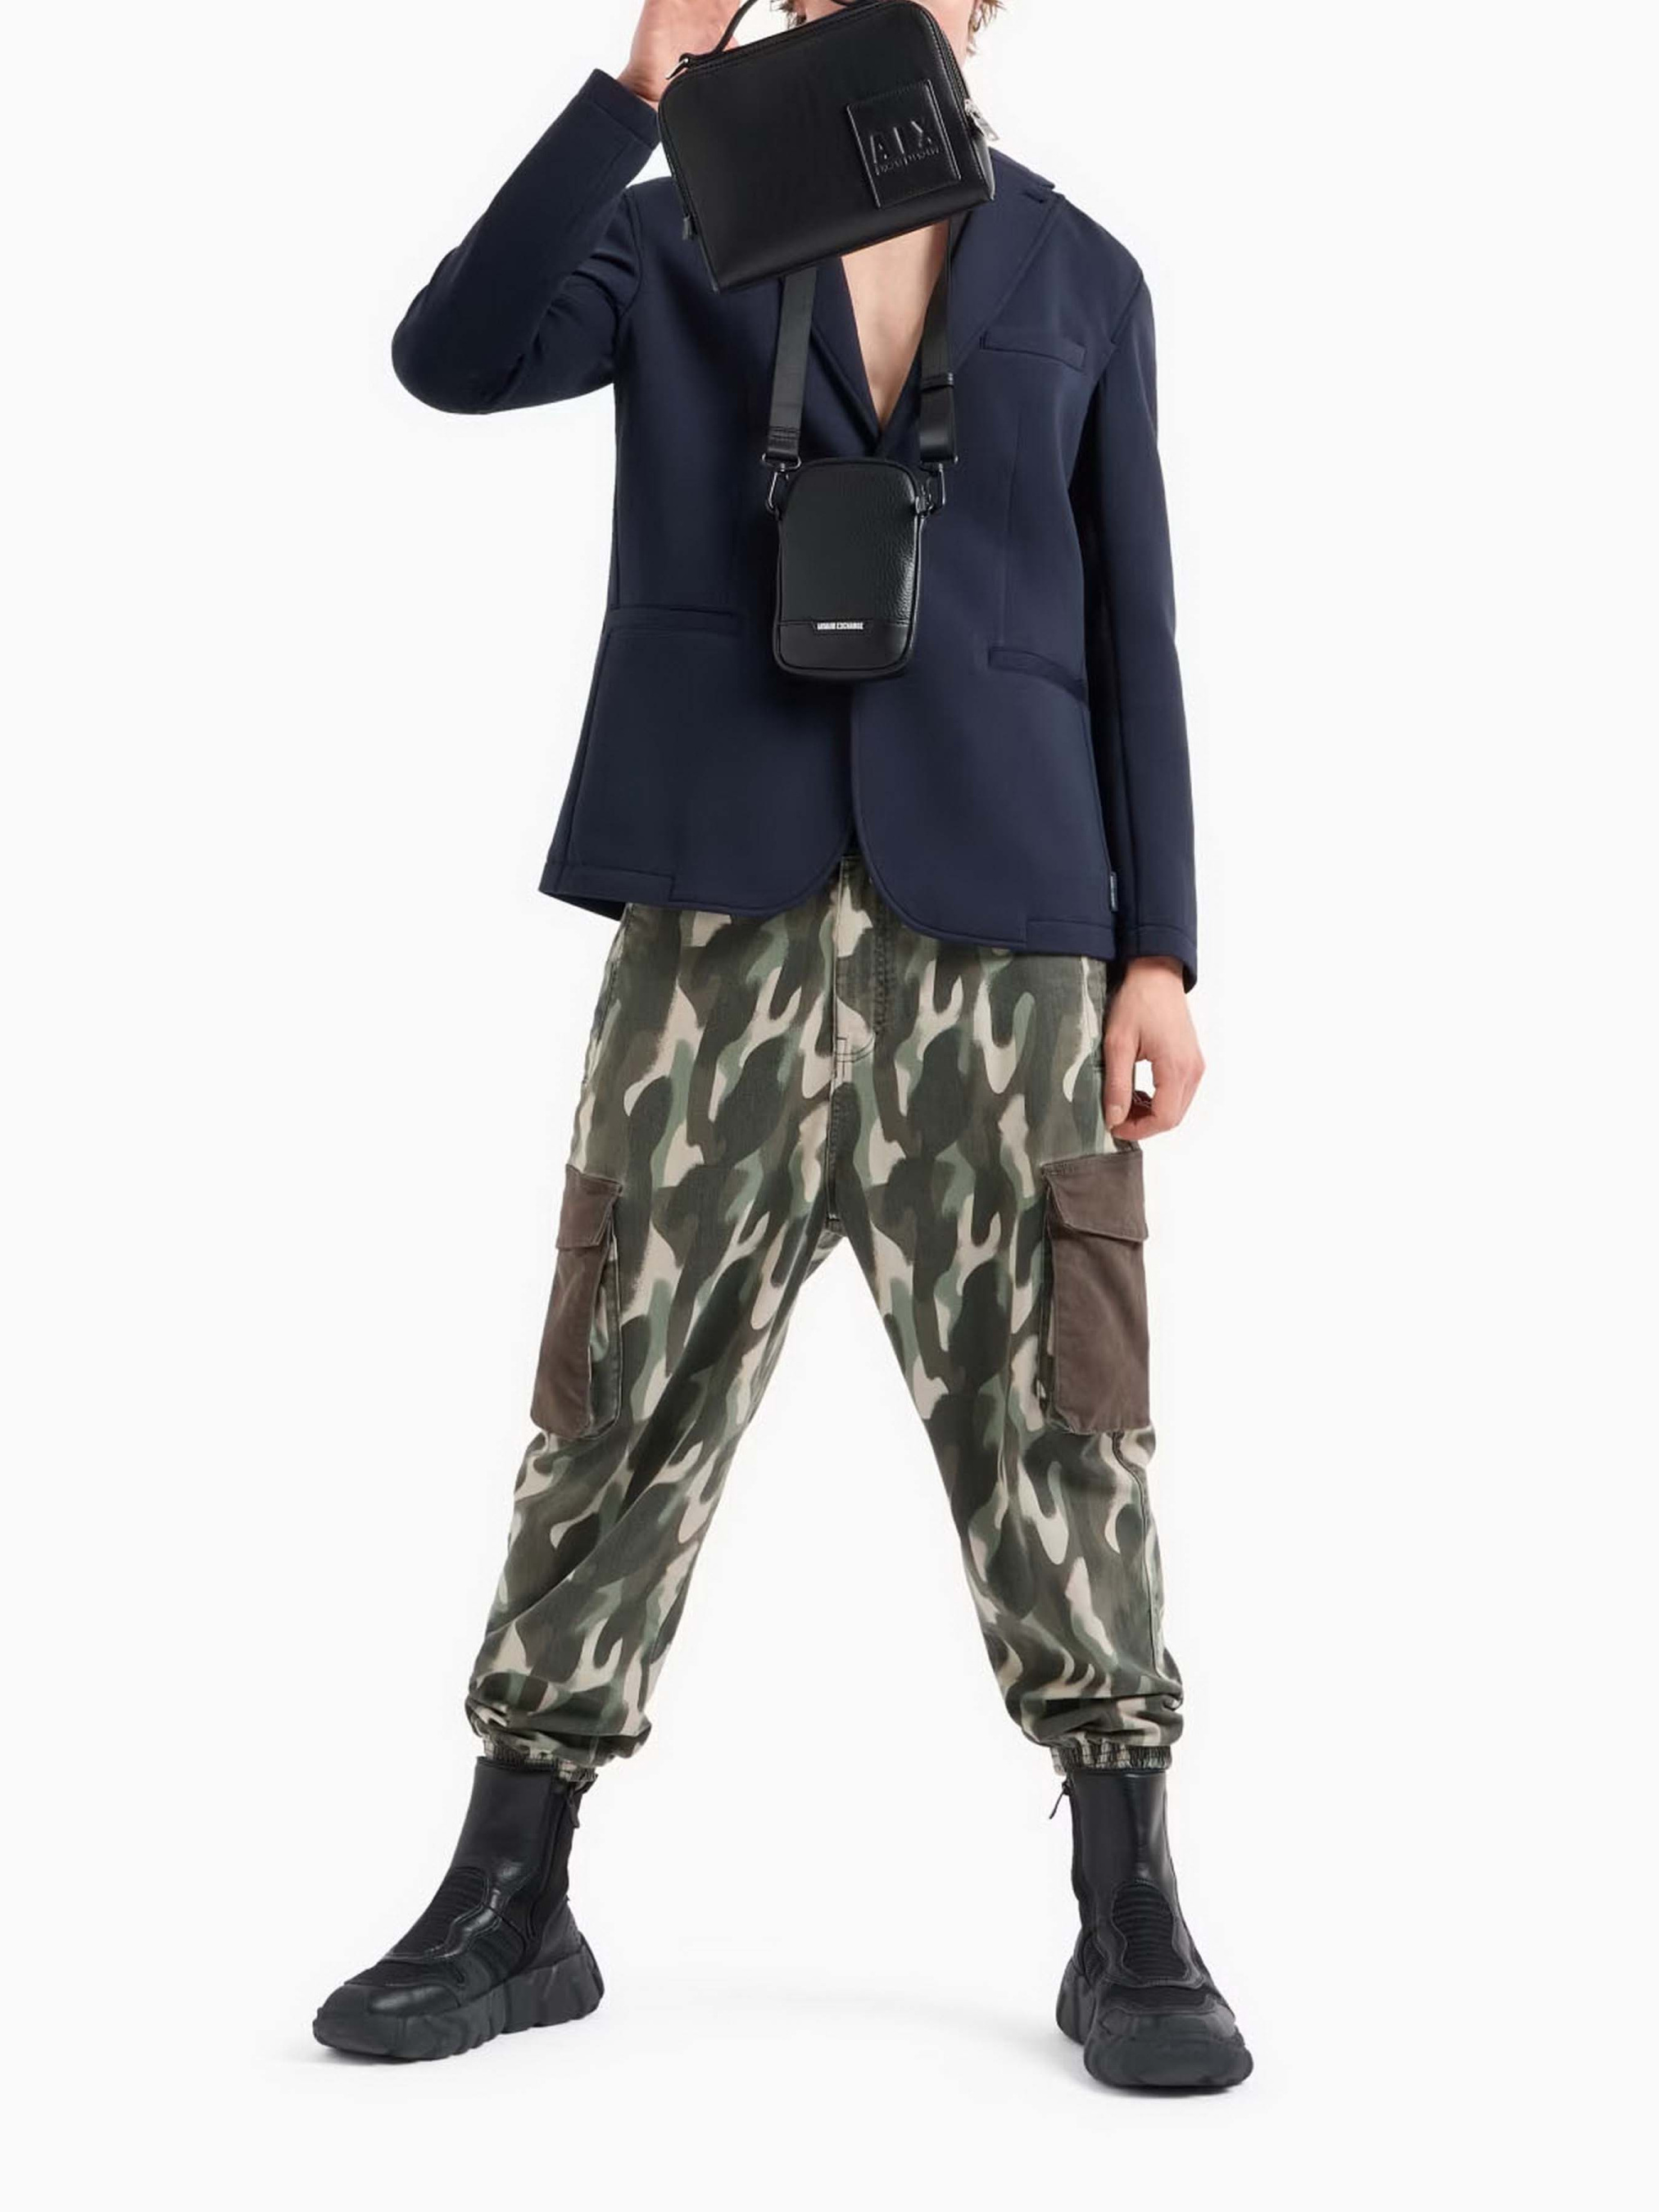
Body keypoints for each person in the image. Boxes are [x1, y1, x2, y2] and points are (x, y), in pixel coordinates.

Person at [314, 0, 1251, 2092]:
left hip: (1006, 926)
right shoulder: (673, 232)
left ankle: (1130, 1905)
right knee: (616, 1387)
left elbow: (1134, 630)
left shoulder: (1083, 273)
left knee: (1061, 1406)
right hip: (712, 912)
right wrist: (646, 77)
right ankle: (511, 1891)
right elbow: (453, 355)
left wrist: (1158, 954)